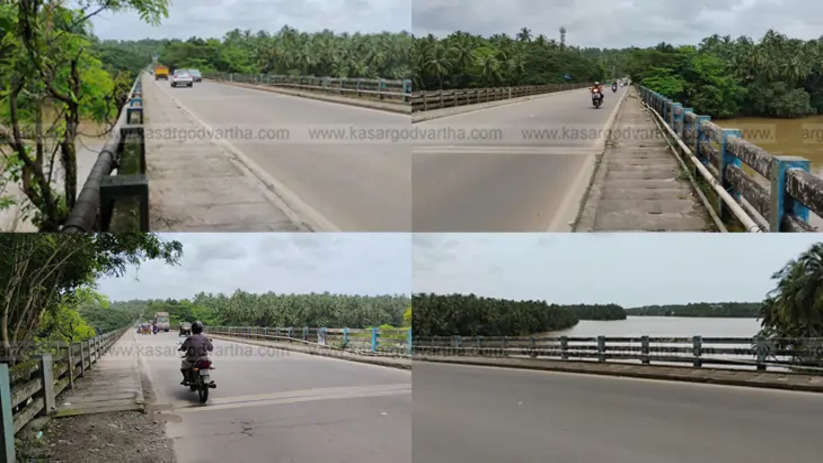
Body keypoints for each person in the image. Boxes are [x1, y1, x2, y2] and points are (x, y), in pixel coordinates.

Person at [179, 321, 213, 385]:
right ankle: (206, 380)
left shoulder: (190, 338)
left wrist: (182, 348)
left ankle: (186, 379)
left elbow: (183, 348)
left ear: (193, 329)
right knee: (209, 363)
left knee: (183, 365)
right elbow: (211, 348)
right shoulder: (205, 338)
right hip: (204, 359)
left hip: (192, 359)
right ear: (201, 329)